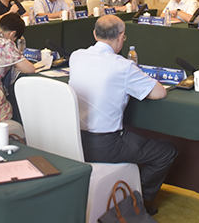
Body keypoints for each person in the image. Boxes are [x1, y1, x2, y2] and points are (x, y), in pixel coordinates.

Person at [69, 15, 177, 215]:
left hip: (73, 141)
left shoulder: (76, 56)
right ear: (120, 37)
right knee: (166, 152)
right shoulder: (122, 66)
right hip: (106, 146)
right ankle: (140, 202)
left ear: (95, 34)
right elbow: (159, 92)